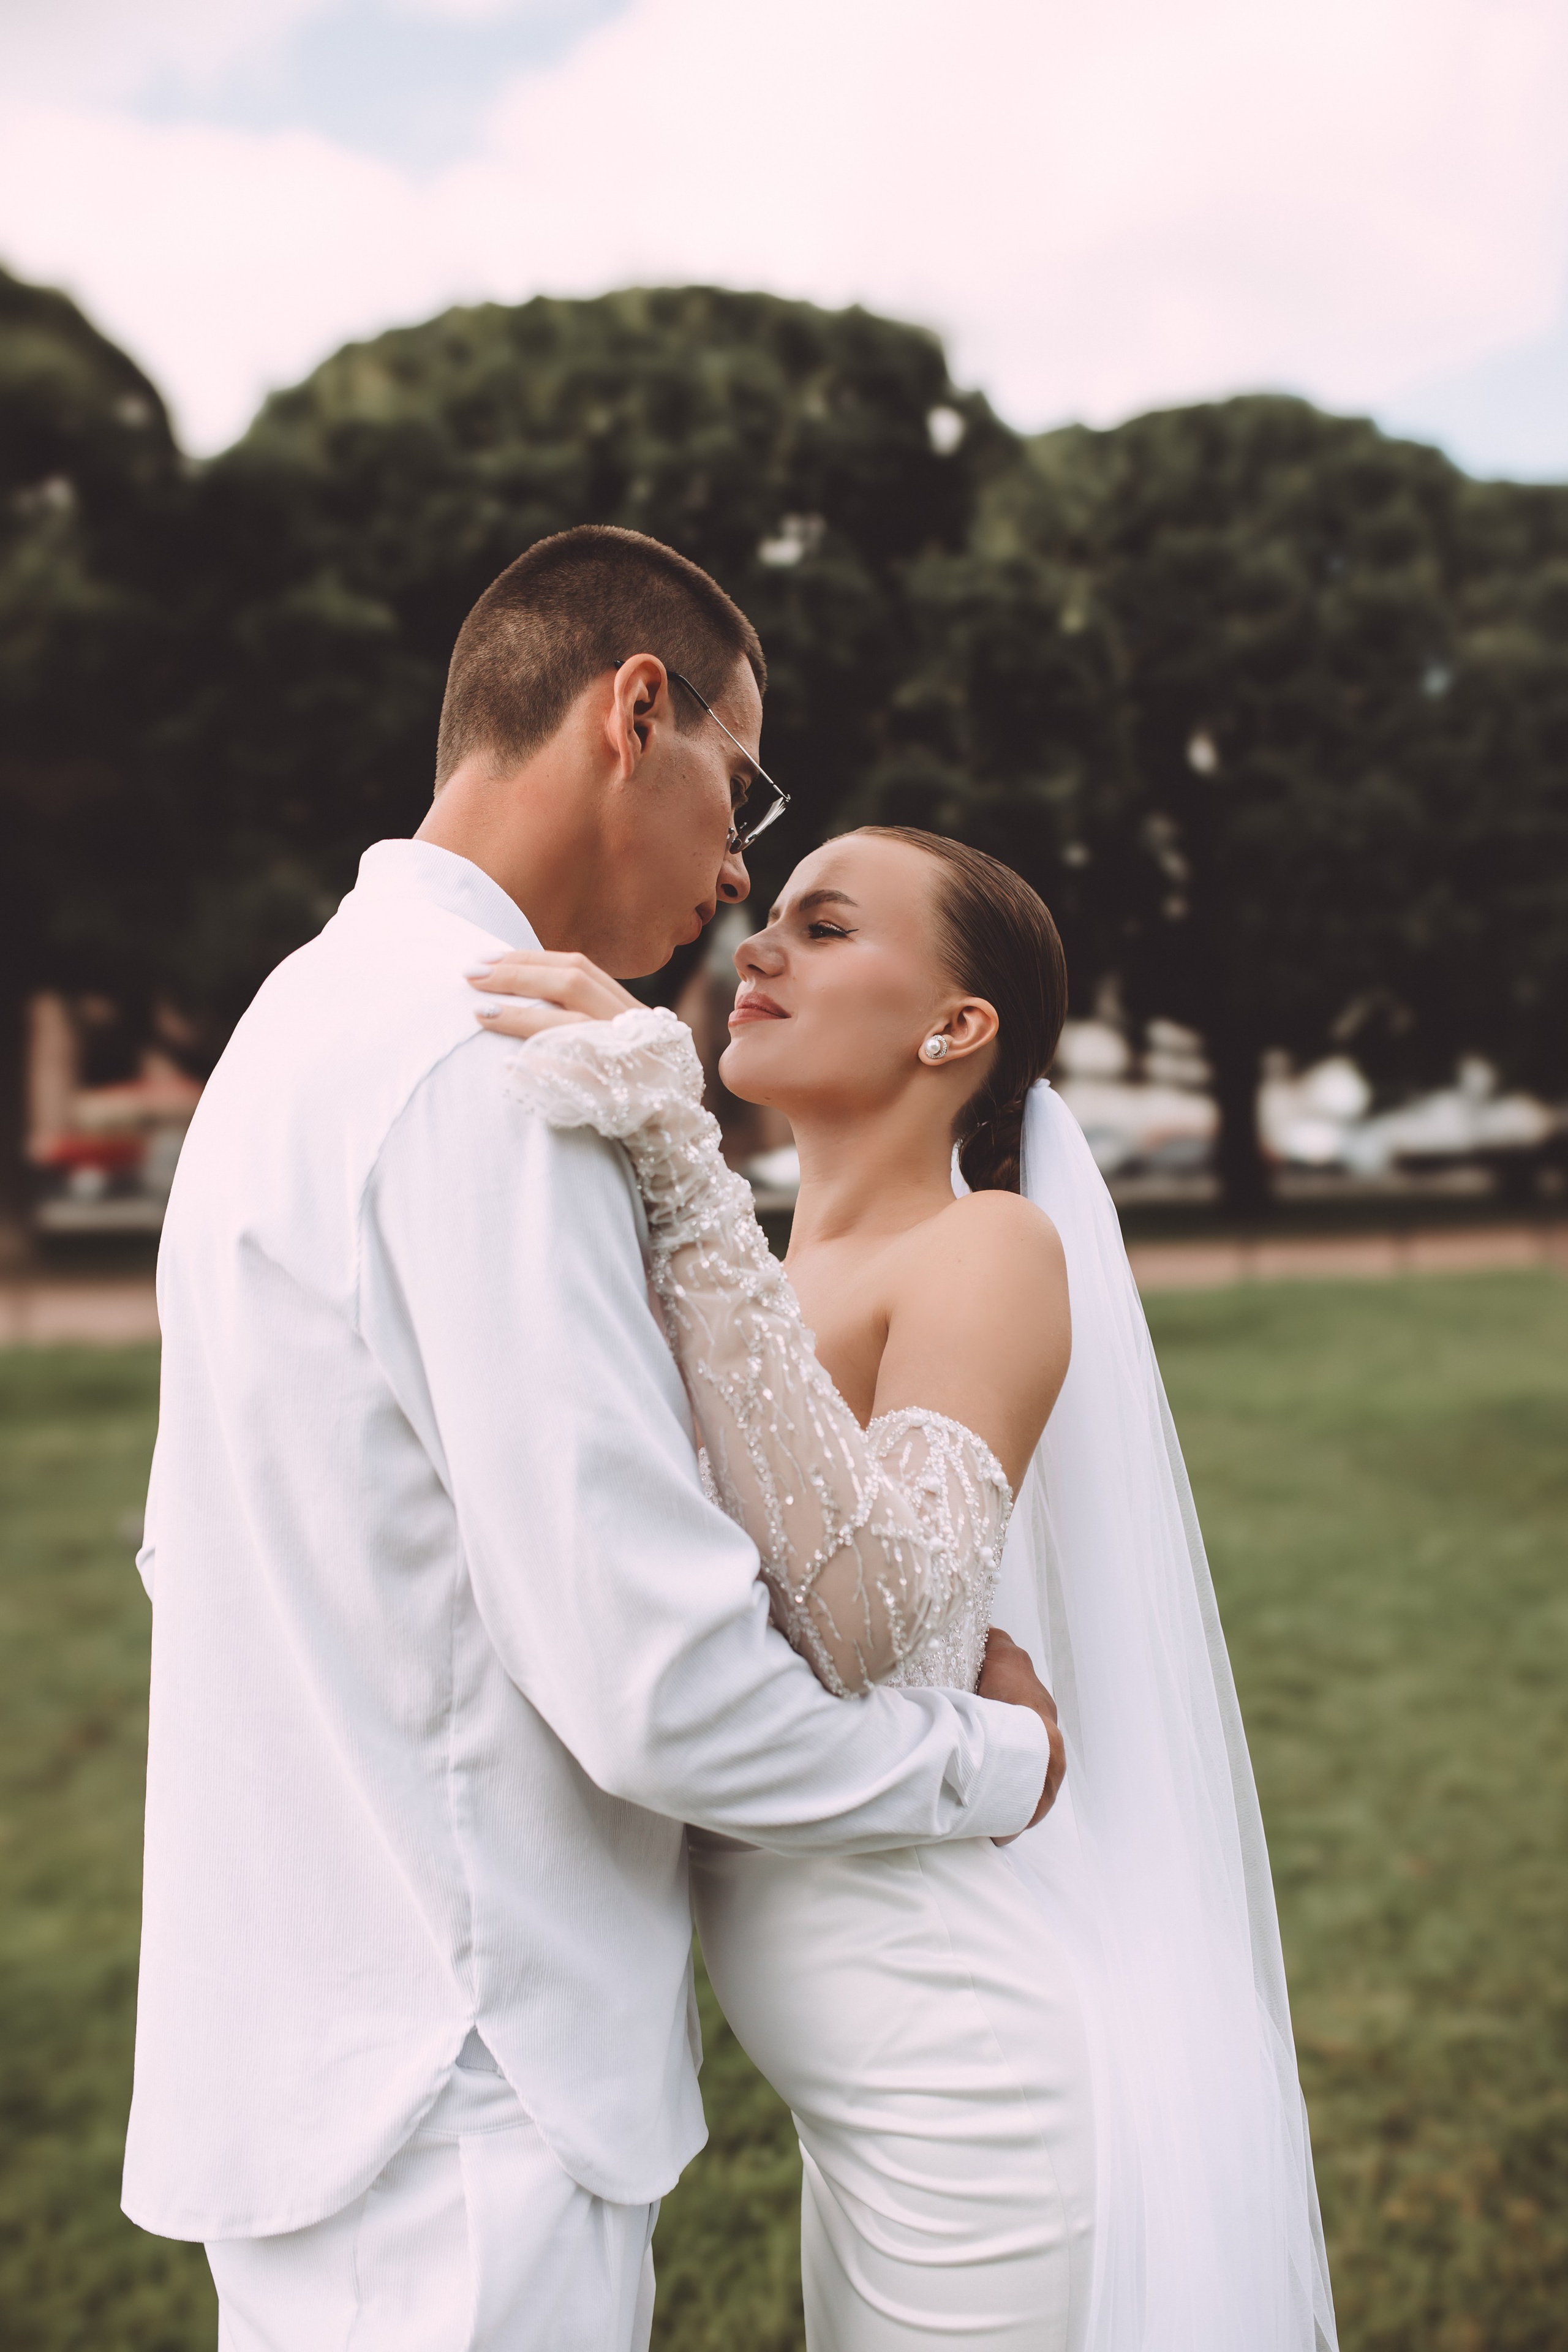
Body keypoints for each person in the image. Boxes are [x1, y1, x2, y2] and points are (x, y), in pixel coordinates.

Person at [123, 528, 1065, 2352]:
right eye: (744, 784)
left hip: (315, 2056)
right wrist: (995, 1763)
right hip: (466, 2100)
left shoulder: (293, 1027)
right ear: (637, 710)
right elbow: (660, 1688)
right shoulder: (500, 1067)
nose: (739, 871)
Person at [469, 826, 1341, 2352]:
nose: (756, 945)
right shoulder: (751, 1271)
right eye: (771, 916)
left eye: (822, 926)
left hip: (968, 2085)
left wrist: (682, 1166)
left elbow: (872, 1620)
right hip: (861, 2093)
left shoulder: (985, 1247)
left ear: (955, 1030)